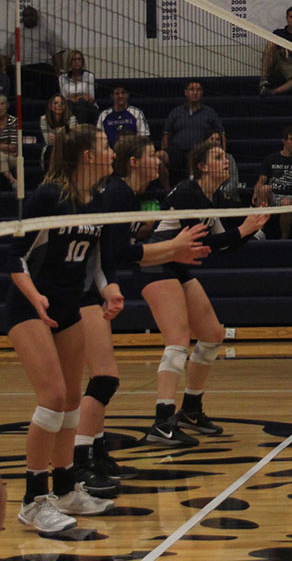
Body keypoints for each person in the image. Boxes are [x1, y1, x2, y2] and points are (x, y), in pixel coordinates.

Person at [73, 135, 211, 494]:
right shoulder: (116, 192)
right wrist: (172, 248)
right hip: (78, 290)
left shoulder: (124, 194)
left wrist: (170, 252)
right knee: (97, 380)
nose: (159, 158)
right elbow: (118, 253)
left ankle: (96, 450)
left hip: (95, 288)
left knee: (103, 378)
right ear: (133, 162)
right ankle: (80, 458)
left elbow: (121, 252)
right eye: (151, 154)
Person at [6, 124, 118, 533]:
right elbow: (15, 257)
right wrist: (35, 297)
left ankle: (67, 488)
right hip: (30, 308)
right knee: (52, 397)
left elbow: (97, 261)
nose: (112, 150)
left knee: (72, 400)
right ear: (87, 156)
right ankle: (33, 500)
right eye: (106, 145)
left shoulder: (98, 199)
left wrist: (110, 290)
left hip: (69, 308)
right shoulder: (48, 197)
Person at [139, 141, 268, 446]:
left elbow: (223, 244)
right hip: (156, 264)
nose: (226, 161)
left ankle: (191, 409)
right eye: (219, 157)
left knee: (211, 334)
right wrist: (244, 229)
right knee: (178, 341)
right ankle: (162, 421)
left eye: (226, 156)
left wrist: (252, 227)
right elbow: (203, 245)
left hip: (178, 266)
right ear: (202, 166)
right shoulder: (187, 192)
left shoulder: (215, 196)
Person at [159, 81, 225, 186]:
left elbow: (222, 133)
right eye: (192, 89)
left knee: (194, 159)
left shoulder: (210, 112)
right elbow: (166, 134)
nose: (195, 93)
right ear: (186, 92)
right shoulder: (176, 112)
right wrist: (165, 149)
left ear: (202, 93)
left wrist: (223, 153)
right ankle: (168, 191)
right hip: (178, 150)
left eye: (198, 90)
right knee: (159, 157)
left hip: (199, 151)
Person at [252, 126, 292, 239]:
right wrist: (256, 191)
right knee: (264, 189)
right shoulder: (271, 159)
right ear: (284, 141)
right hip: (273, 195)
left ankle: (284, 239)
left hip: (289, 197)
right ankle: (259, 231)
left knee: (286, 202)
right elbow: (262, 179)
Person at [2, 6, 65, 97]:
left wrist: (60, 72)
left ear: (37, 17)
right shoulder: (16, 34)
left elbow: (57, 53)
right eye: (26, 15)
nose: (29, 17)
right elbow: (6, 55)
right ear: (22, 18)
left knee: (46, 70)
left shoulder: (47, 32)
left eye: (32, 15)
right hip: (21, 68)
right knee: (11, 71)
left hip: (41, 68)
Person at [96, 83, 150, 148]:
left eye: (123, 93)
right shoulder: (104, 115)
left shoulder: (137, 113)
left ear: (127, 95)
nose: (120, 96)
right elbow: (99, 138)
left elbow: (143, 136)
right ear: (112, 96)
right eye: (117, 94)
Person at [203, 128, 240, 205]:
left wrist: (222, 192)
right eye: (211, 139)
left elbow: (234, 181)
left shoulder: (229, 158)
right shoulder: (201, 159)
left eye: (217, 139)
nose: (215, 142)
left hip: (228, 197)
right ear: (205, 142)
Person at [40, 94, 78, 172]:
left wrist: (57, 137)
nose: (59, 105)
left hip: (67, 148)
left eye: (62, 103)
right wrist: (64, 135)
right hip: (51, 149)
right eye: (56, 103)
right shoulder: (44, 119)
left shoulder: (72, 118)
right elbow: (48, 140)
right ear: (50, 106)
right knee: (50, 151)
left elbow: (72, 138)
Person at [58, 50, 97, 124]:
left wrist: (73, 97)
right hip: (70, 106)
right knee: (69, 104)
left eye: (79, 59)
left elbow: (91, 98)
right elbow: (64, 99)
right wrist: (81, 96)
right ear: (69, 62)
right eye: (74, 59)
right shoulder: (62, 78)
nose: (77, 62)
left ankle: (80, 129)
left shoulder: (89, 76)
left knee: (81, 103)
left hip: (88, 107)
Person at [0, 93, 17, 189]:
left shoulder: (14, 121)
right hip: (5, 156)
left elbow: (14, 148)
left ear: (7, 105)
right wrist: (6, 148)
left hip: (12, 159)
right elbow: (10, 148)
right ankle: (12, 180)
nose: (0, 107)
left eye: (2, 104)